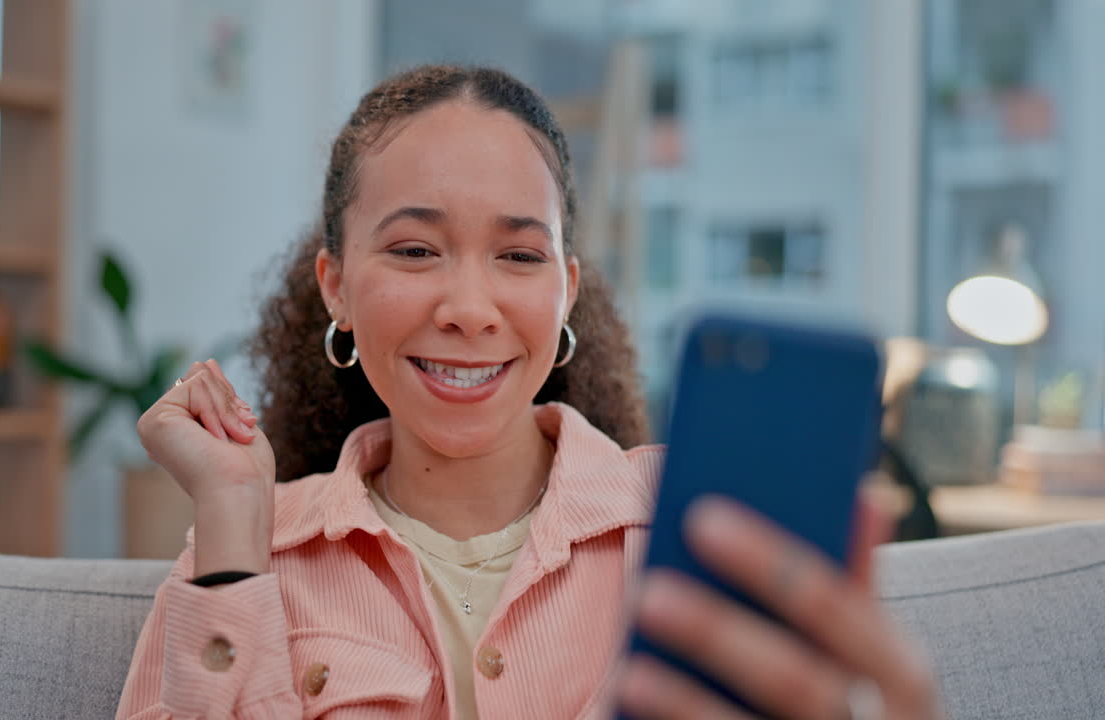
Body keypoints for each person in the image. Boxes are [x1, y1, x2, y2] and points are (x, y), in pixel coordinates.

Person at [117, 65, 940, 720]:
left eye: (518, 256)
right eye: (413, 250)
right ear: (335, 285)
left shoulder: (693, 525)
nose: (470, 311)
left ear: (567, 289)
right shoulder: (245, 554)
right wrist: (230, 520)